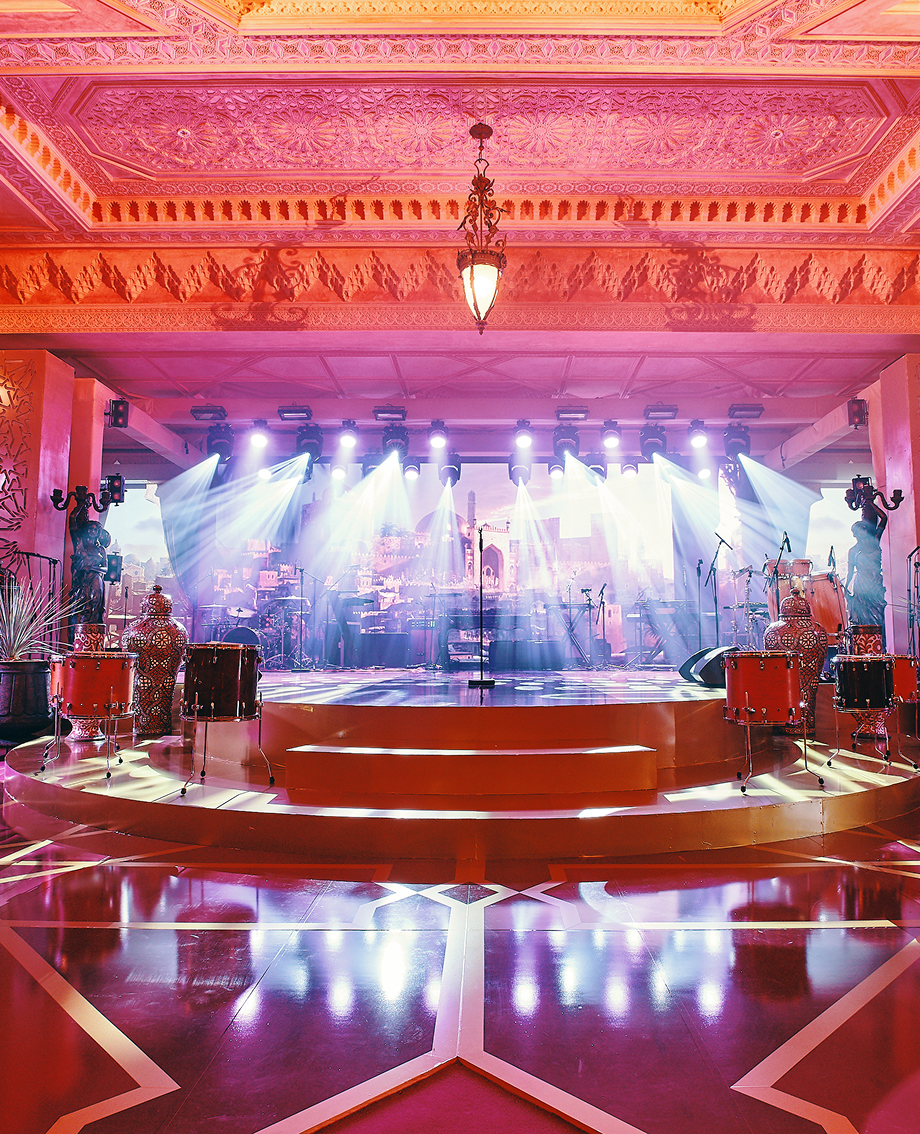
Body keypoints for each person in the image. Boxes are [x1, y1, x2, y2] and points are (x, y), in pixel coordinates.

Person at [845, 502, 888, 633]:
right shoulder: (853, 551)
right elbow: (850, 572)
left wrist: (871, 503)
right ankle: (866, 644)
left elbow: (884, 518)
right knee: (864, 618)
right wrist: (846, 588)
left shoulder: (875, 540)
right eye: (861, 529)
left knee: (878, 616)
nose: (864, 530)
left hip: (875, 583)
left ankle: (880, 645)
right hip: (862, 585)